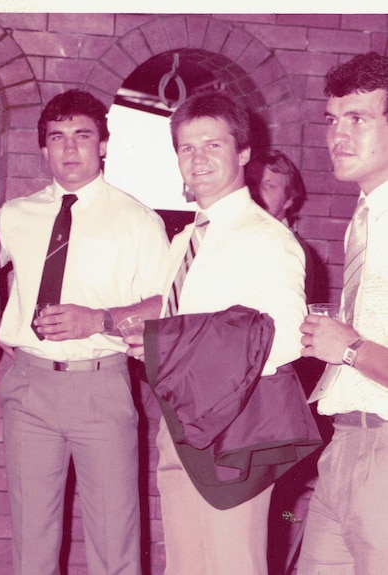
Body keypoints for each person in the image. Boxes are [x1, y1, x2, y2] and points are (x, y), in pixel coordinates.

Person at [124, 92, 307, 575]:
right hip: (178, 426)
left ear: (243, 153)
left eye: (213, 145)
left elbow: (287, 338)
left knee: (231, 566)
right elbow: (180, 329)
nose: (198, 158)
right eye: (187, 148)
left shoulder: (266, 237)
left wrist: (184, 351)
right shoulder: (184, 239)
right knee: (184, 566)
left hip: (234, 432)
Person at [0, 88, 169, 575]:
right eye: (57, 138)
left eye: (82, 136)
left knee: (115, 540)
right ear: (43, 148)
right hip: (29, 389)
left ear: (104, 145)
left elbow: (163, 306)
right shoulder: (13, 217)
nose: (70, 149)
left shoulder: (137, 220)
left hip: (101, 386)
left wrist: (98, 320)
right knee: (32, 541)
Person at [298, 51, 388, 575]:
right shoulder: (365, 217)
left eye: (359, 119)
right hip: (344, 444)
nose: (338, 134)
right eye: (333, 120)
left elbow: (351, 346)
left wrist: (348, 348)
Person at [247, 150, 328, 304]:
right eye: (251, 184)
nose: (256, 192)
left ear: (289, 200)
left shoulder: (287, 248)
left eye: (268, 186)